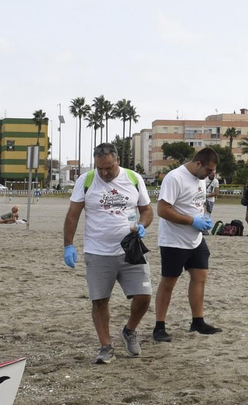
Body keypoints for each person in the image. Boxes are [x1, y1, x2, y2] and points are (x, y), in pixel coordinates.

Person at [63, 143, 155, 364]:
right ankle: (106, 346)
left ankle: (129, 330)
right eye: (100, 168)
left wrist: (143, 224)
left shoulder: (133, 178)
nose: (104, 173)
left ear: (118, 162)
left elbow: (147, 210)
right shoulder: (86, 181)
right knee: (100, 301)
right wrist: (69, 245)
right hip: (98, 252)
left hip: (130, 249)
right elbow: (73, 215)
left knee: (144, 296)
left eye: (109, 168)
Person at [154, 147, 222, 342]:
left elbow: (195, 204)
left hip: (196, 239)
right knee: (169, 282)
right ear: (198, 163)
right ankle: (159, 326)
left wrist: (202, 219)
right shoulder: (175, 178)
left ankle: (198, 321)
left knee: (200, 276)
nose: (211, 174)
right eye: (209, 170)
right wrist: (192, 221)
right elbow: (162, 210)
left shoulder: (200, 179)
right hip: (174, 240)